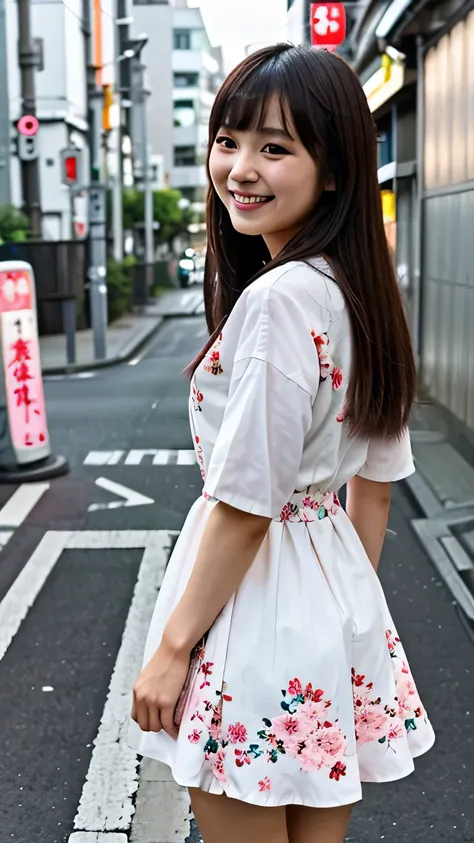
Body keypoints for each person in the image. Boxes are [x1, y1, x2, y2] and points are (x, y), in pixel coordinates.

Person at [128, 43, 435, 843]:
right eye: (229, 141)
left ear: (333, 171)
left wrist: (170, 649)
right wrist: (344, 606)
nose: (239, 168)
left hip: (251, 610)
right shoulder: (358, 287)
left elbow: (245, 502)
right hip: (328, 594)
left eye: (275, 147)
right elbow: (375, 480)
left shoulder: (277, 300)